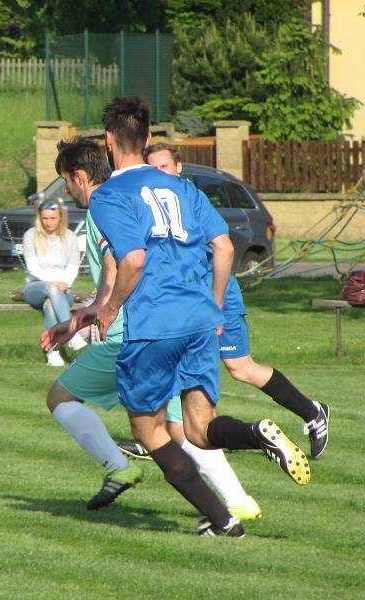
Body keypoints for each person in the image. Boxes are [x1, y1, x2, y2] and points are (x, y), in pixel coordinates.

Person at [46, 97, 309, 539]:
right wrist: (215, 303)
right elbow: (224, 248)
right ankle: (256, 434)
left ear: (109, 141)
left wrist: (107, 310)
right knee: (200, 430)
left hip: (154, 326)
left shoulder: (109, 195)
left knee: (150, 432)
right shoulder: (184, 188)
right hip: (201, 320)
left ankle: (224, 520)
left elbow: (130, 260)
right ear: (148, 139)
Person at [43, 139, 260, 521]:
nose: (67, 191)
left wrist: (103, 310)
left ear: (80, 177)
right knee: (184, 429)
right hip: (172, 326)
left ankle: (121, 467)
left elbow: (117, 262)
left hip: (134, 336)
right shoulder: (134, 199)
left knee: (66, 399)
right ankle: (239, 501)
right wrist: (84, 315)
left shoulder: (103, 206)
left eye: (66, 182)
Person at [136, 143, 330, 459]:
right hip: (189, 303)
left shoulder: (190, 200)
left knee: (240, 368)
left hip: (217, 298)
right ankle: (155, 435)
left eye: (164, 167)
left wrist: (214, 306)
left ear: (179, 167)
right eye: (152, 168)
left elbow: (222, 249)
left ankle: (312, 411)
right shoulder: (157, 203)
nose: (158, 173)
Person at [22, 196, 86, 366]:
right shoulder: (30, 236)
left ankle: (52, 352)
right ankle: (72, 333)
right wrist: (55, 284)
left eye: (52, 218)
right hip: (36, 287)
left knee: (50, 304)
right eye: (45, 218)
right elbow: (33, 267)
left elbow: (73, 267)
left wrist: (63, 284)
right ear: (39, 218)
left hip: (64, 289)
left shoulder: (70, 237)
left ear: (60, 218)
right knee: (50, 287)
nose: (48, 222)